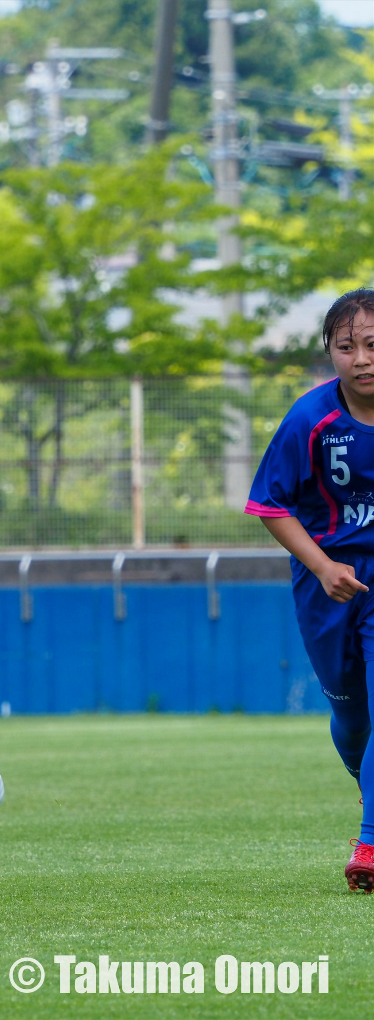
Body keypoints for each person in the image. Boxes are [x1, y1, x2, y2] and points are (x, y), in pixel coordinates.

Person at [247, 288, 374, 893]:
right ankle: (363, 777)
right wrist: (323, 567)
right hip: (327, 583)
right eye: (347, 346)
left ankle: (370, 842)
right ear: (330, 352)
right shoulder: (308, 419)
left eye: (373, 345)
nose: (362, 358)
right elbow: (269, 505)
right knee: (351, 715)